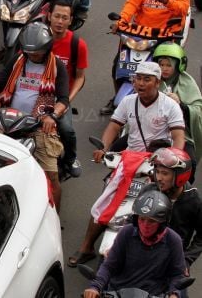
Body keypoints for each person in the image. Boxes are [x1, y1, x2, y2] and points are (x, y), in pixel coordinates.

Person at [68, 61, 186, 268]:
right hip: (129, 161)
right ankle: (86, 247)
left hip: (156, 164)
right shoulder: (128, 101)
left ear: (157, 82)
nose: (140, 83)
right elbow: (114, 127)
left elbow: (178, 137)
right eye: (138, 78)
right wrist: (103, 148)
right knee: (106, 200)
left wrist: (173, 160)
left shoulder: (170, 106)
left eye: (146, 79)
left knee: (162, 207)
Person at [0, 22, 69, 212]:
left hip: (39, 125)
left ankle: (54, 216)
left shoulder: (58, 66)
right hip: (8, 121)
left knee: (51, 176)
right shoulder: (18, 60)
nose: (32, 55)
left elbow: (63, 100)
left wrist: (53, 116)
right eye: (29, 51)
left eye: (37, 51)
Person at [100, 0, 190, 115]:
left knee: (167, 70)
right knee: (118, 65)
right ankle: (117, 97)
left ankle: (174, 101)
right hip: (140, 33)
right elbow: (132, 3)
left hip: (165, 35)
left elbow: (183, 8)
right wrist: (121, 21)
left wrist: (166, 0)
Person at [82, 189, 186, 298]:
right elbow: (109, 266)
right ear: (136, 219)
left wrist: (174, 294)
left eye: (151, 221)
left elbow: (177, 274)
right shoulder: (126, 232)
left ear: (162, 223)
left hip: (153, 294)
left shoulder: (173, 240)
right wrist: (95, 287)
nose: (145, 225)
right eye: (142, 219)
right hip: (118, 293)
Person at [48, 0, 88, 177]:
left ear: (70, 20)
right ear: (49, 16)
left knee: (66, 129)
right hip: (34, 92)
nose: (60, 21)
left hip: (61, 98)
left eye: (64, 18)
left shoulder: (78, 44)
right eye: (57, 16)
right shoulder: (37, 37)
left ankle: (71, 158)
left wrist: (67, 101)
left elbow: (80, 77)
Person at [153, 42, 202, 182]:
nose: (164, 69)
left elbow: (198, 110)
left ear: (178, 65)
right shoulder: (150, 80)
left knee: (189, 163)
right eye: (161, 65)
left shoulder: (187, 83)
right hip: (152, 129)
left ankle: (182, 193)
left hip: (182, 134)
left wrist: (181, 105)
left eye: (169, 65)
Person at [150, 147, 202, 278]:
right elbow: (132, 221)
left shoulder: (194, 200)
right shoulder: (150, 191)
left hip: (173, 261)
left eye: (165, 174)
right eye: (157, 172)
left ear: (180, 175)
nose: (159, 178)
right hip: (144, 255)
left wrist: (186, 260)